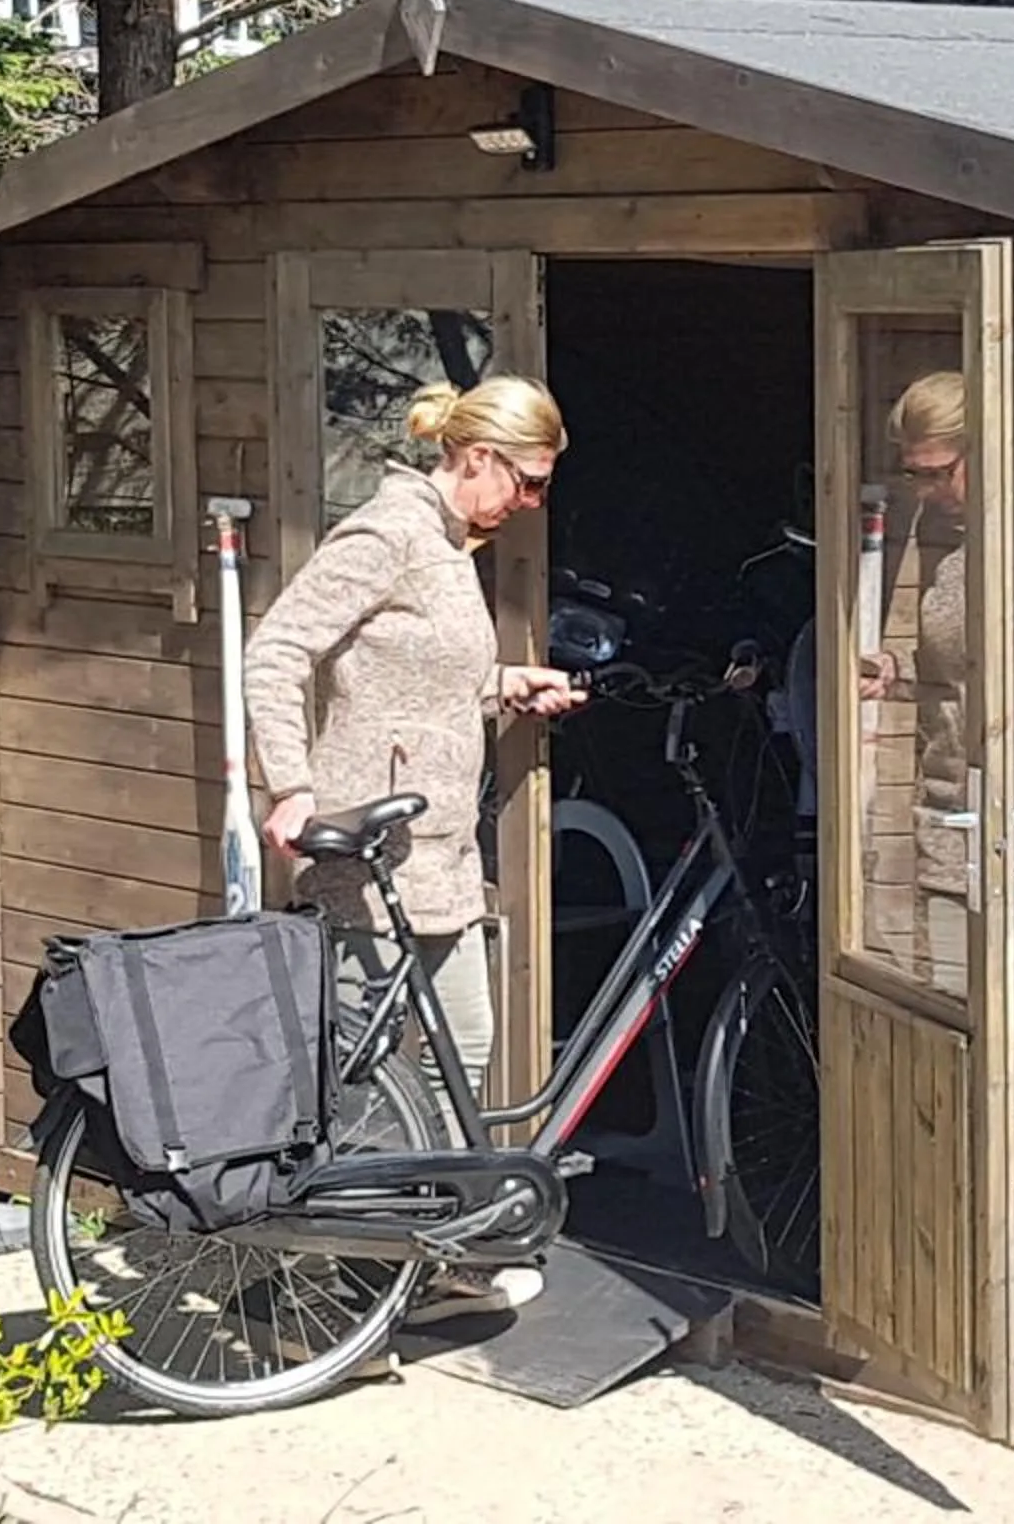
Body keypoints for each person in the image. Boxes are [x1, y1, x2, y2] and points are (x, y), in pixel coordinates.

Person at [242, 371, 582, 1324]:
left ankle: (413, 1262)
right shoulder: (387, 534)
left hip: (438, 852)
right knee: (366, 1076)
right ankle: (347, 1290)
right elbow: (275, 653)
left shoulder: (447, 545)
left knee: (459, 1047)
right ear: (478, 459)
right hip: (369, 850)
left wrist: (506, 685)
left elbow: (419, 682)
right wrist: (293, 786)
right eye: (527, 484)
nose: (530, 505)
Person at [859, 370, 973, 997]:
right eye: (915, 476)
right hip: (949, 822)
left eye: (938, 472)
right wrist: (898, 674)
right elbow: (953, 678)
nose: (927, 493)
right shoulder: (956, 560)